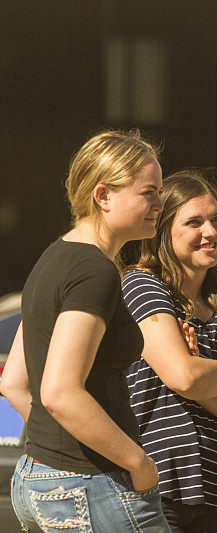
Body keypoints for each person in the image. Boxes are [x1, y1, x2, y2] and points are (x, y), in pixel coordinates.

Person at [0, 130, 171, 531]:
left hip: (38, 479)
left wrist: (58, 447)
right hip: (90, 487)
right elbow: (59, 392)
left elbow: (14, 383)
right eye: (149, 192)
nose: (160, 204)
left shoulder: (54, 257)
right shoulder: (94, 271)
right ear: (103, 196)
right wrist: (137, 462)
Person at [122, 170, 217, 532]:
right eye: (194, 222)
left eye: (216, 220)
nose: (211, 232)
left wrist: (203, 372)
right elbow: (184, 377)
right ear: (163, 231)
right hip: (156, 485)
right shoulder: (142, 285)